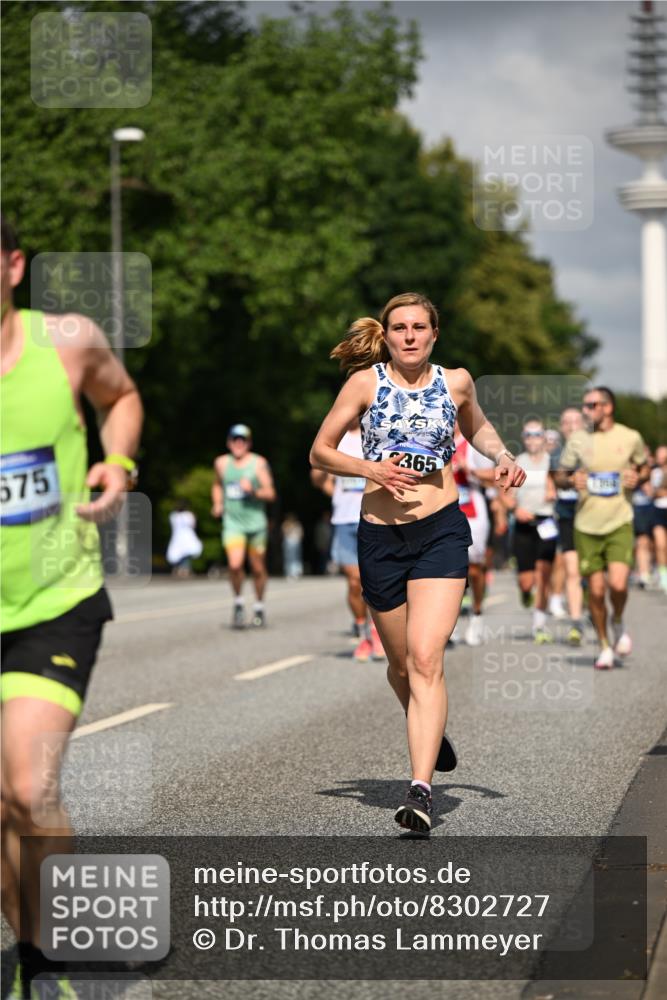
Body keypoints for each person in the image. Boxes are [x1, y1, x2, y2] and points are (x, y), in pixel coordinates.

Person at [310, 292, 526, 835]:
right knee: (402, 665)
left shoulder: (456, 381)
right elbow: (319, 451)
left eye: (419, 327)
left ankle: (420, 790)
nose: (409, 336)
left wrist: (501, 457)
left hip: (441, 531)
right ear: (386, 335)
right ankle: (430, 725)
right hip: (380, 536)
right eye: (399, 328)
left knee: (428, 659)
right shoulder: (364, 383)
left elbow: (476, 427)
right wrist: (370, 469)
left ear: (435, 333)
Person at [0, 217, 143, 999]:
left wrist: (115, 461)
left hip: (56, 598)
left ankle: (47, 950)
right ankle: (31, 945)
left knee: (27, 787)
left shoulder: (67, 341)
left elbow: (121, 398)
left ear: (14, 266)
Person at [555, 387, 650, 670]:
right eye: (585, 405)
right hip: (586, 525)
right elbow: (559, 476)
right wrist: (571, 481)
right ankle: (604, 644)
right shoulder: (578, 440)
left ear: (608, 407)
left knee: (618, 585)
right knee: (595, 591)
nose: (586, 410)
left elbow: (644, 467)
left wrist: (638, 477)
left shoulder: (630, 436)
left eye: (591, 404)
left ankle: (618, 620)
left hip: (620, 521)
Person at [311, 420, 384, 661]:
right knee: (355, 583)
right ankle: (364, 633)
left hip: (373, 517)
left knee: (374, 581)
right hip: (343, 520)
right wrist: (333, 491)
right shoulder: (337, 439)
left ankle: (379, 632)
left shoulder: (374, 433)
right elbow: (317, 477)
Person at [211, 424, 276, 628]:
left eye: (243, 440)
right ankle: (238, 602)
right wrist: (218, 503)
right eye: (234, 439)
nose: (238, 443)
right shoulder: (221, 463)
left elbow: (271, 493)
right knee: (235, 564)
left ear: (248, 443)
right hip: (233, 523)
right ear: (229, 442)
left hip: (256, 524)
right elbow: (216, 485)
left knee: (257, 568)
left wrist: (253, 491)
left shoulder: (258, 464)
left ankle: (258, 606)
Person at [504, 419, 559, 643]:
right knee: (527, 581)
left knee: (544, 574)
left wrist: (554, 490)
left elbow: (562, 484)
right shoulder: (518, 462)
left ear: (544, 437)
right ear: (523, 438)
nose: (533, 439)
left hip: (546, 521)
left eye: (537, 434)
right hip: (523, 525)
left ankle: (539, 624)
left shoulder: (552, 462)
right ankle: (526, 592)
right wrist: (515, 509)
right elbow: (506, 495)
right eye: (528, 434)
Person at [450, 422, 496, 646]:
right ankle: (450, 623)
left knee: (475, 570)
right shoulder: (433, 441)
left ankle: (477, 615)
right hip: (443, 513)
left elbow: (495, 475)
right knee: (447, 571)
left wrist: (469, 470)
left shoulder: (471, 445)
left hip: (472, 513)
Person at [548, 407, 586, 645]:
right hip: (566, 515)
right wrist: (569, 480)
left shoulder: (597, 449)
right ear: (562, 427)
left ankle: (597, 608)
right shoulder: (556, 454)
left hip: (594, 516)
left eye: (576, 422)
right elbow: (555, 480)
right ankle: (576, 622)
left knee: (593, 574)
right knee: (571, 568)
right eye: (567, 422)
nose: (571, 426)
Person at [166, 502, 202, 578]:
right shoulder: (189, 515)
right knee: (185, 554)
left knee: (179, 554)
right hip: (187, 536)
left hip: (178, 537)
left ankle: (180, 569)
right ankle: (184, 570)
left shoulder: (173, 516)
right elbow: (193, 525)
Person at [650, 445, 667, 593]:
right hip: (657, 510)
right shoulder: (654, 472)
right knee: (660, 545)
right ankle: (663, 575)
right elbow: (652, 492)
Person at [281, 513, 304, 579]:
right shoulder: (286, 524)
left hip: (296, 542)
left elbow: (301, 534)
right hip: (289, 542)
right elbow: (284, 533)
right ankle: (289, 572)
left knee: (296, 557)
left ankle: (296, 572)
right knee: (289, 558)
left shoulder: (297, 525)